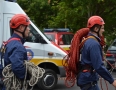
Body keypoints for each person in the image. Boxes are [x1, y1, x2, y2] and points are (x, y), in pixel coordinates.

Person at [77, 16, 116, 90]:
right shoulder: (94, 44)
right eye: (102, 28)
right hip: (89, 82)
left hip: (85, 79)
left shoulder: (87, 41)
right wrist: (112, 81)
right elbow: (98, 66)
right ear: (96, 29)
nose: (103, 30)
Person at [1, 14, 30, 90]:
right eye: (27, 26)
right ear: (21, 28)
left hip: (4, 83)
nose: (29, 29)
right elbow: (17, 67)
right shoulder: (18, 46)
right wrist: (28, 77)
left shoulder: (7, 42)